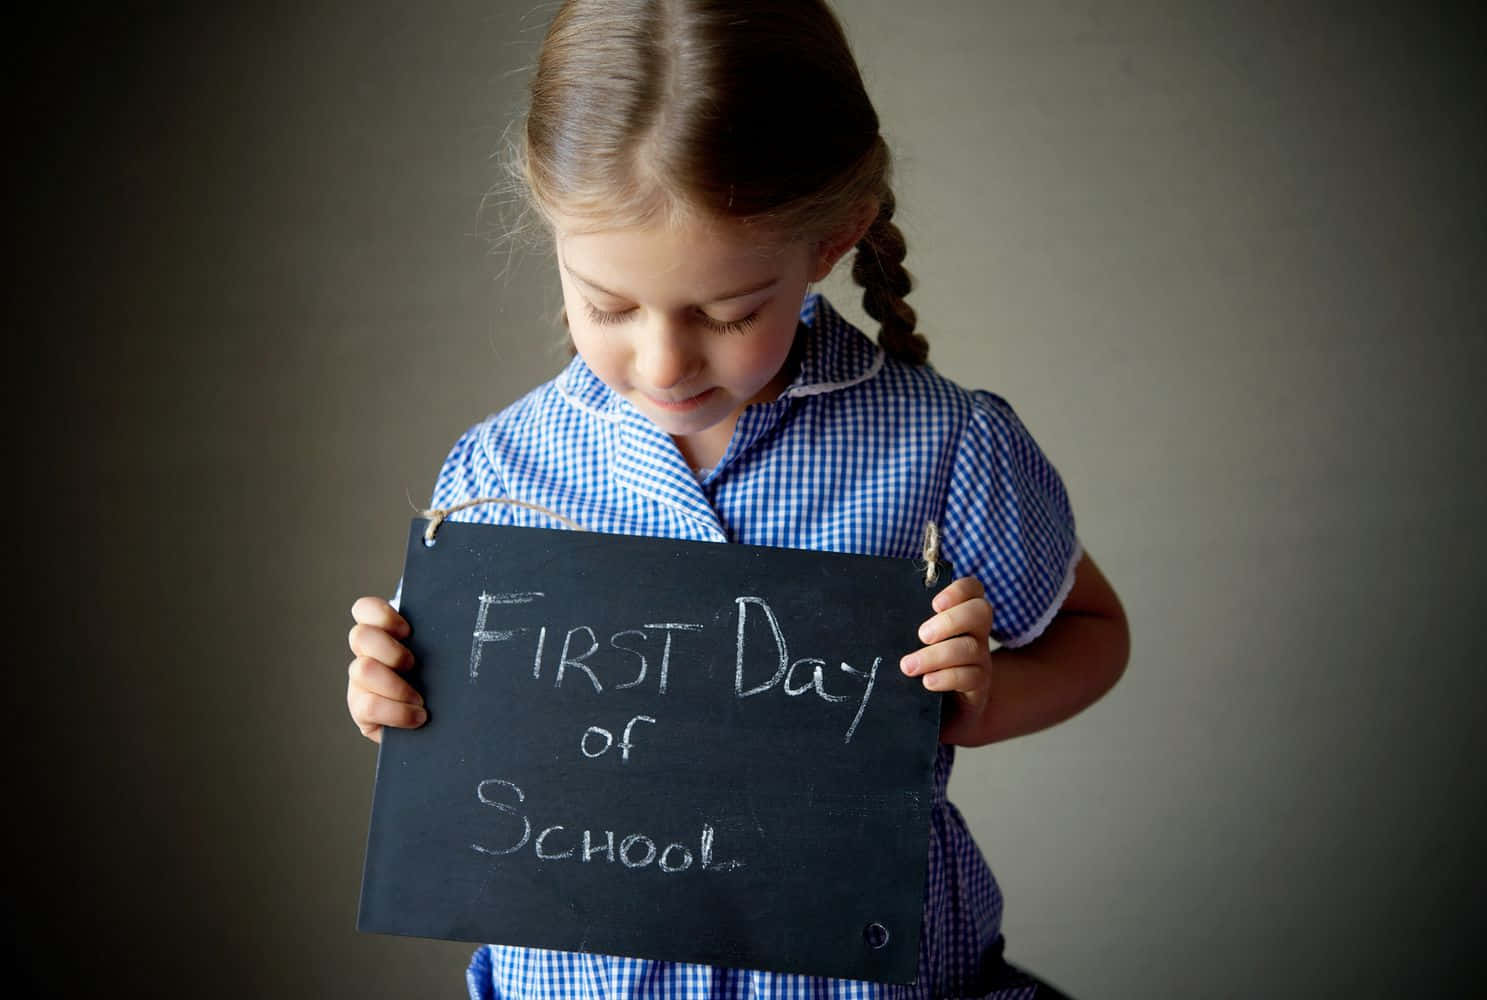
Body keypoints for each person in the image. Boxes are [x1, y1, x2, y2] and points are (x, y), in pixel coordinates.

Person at [345, 1, 1130, 996]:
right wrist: (396, 703)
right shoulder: (497, 476)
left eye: (730, 311)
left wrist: (977, 702)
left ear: (835, 237)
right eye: (609, 303)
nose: (665, 360)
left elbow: (1096, 629)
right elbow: (467, 758)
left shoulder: (943, 450)